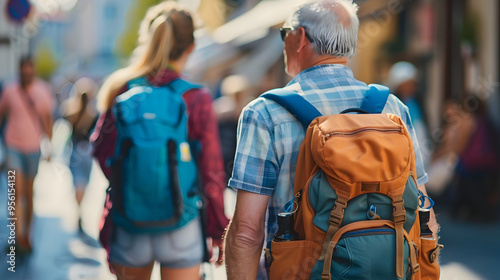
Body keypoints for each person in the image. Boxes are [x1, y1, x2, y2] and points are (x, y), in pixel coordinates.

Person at [224, 1, 439, 279]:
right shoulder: (392, 108)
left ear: (299, 37)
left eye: (284, 33)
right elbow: (425, 217)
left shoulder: (264, 113)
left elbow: (246, 232)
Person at [90, 2, 229, 279]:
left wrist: (136, 182)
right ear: (191, 47)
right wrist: (217, 228)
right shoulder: (196, 98)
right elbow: (211, 169)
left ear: (148, 39)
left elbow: (102, 152)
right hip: (182, 222)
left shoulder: (121, 89)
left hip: (130, 222)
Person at [0, 56, 54, 252]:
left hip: (33, 149)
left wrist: (49, 145)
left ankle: (26, 235)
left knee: (29, 194)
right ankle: (16, 236)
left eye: (29, 70)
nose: (27, 74)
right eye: (23, 71)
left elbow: (48, 120)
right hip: (13, 146)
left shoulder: (42, 90)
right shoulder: (9, 90)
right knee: (15, 192)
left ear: (34, 71)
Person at [61, 77, 98, 234]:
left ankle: (79, 210)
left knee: (78, 182)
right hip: (87, 151)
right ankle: (80, 209)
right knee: (84, 183)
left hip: (76, 150)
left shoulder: (71, 110)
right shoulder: (93, 113)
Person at [388, 61, 431, 167]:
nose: (411, 87)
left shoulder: (417, 101)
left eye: (413, 83)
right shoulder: (391, 103)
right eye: (408, 83)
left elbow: (423, 126)